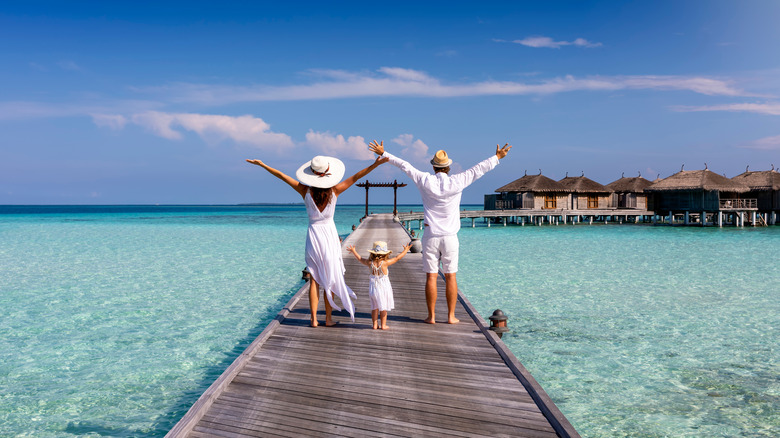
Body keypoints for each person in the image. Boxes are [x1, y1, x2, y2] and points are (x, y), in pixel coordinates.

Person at [368, 140, 512, 324]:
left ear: (434, 167)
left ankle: (432, 316)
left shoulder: (425, 180)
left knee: (431, 276)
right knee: (451, 275)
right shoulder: (457, 181)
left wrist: (384, 152)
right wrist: (497, 157)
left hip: (430, 235)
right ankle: (451, 316)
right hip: (450, 237)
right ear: (448, 167)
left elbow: (405, 166)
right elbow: (478, 170)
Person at [246, 155, 388, 327]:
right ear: (327, 173)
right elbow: (358, 176)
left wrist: (263, 165)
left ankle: (314, 319)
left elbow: (283, 176)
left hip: (313, 236)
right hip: (329, 236)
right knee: (331, 277)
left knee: (314, 279)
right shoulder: (335, 191)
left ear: (312, 174)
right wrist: (375, 164)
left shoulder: (304, 191)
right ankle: (328, 319)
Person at [346, 241, 412, 330]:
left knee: (374, 307)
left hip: (373, 287)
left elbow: (360, 259)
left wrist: (354, 251)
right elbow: (397, 258)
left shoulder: (370, 263)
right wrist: (405, 250)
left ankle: (374, 324)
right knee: (383, 307)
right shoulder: (385, 263)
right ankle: (383, 325)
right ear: (385, 254)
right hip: (383, 287)